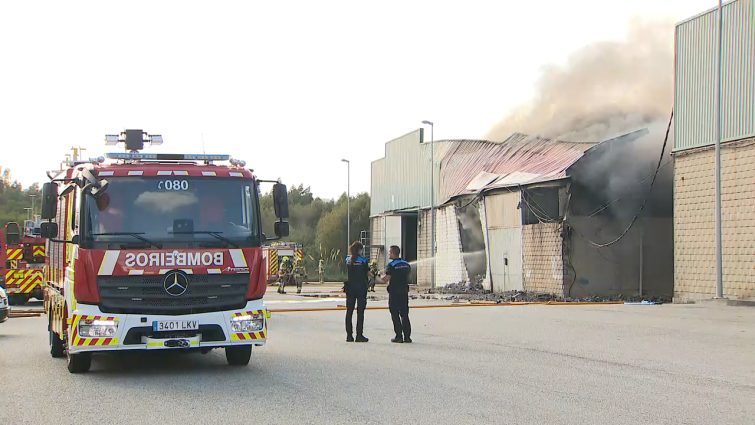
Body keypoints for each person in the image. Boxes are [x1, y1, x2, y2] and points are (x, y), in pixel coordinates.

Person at [382, 245, 412, 343]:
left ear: (393, 253)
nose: (389, 253)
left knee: (394, 314)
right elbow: (409, 278)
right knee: (404, 314)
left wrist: (379, 277)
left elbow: (386, 279)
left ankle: (399, 336)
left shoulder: (391, 265)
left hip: (394, 292)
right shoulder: (406, 264)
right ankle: (407, 337)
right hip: (404, 292)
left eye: (390, 252)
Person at [344, 241, 372, 342]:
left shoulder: (348, 259)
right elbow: (369, 273)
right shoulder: (363, 261)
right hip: (361, 288)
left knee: (349, 311)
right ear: (360, 250)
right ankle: (359, 335)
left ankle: (349, 335)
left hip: (350, 288)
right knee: (360, 312)